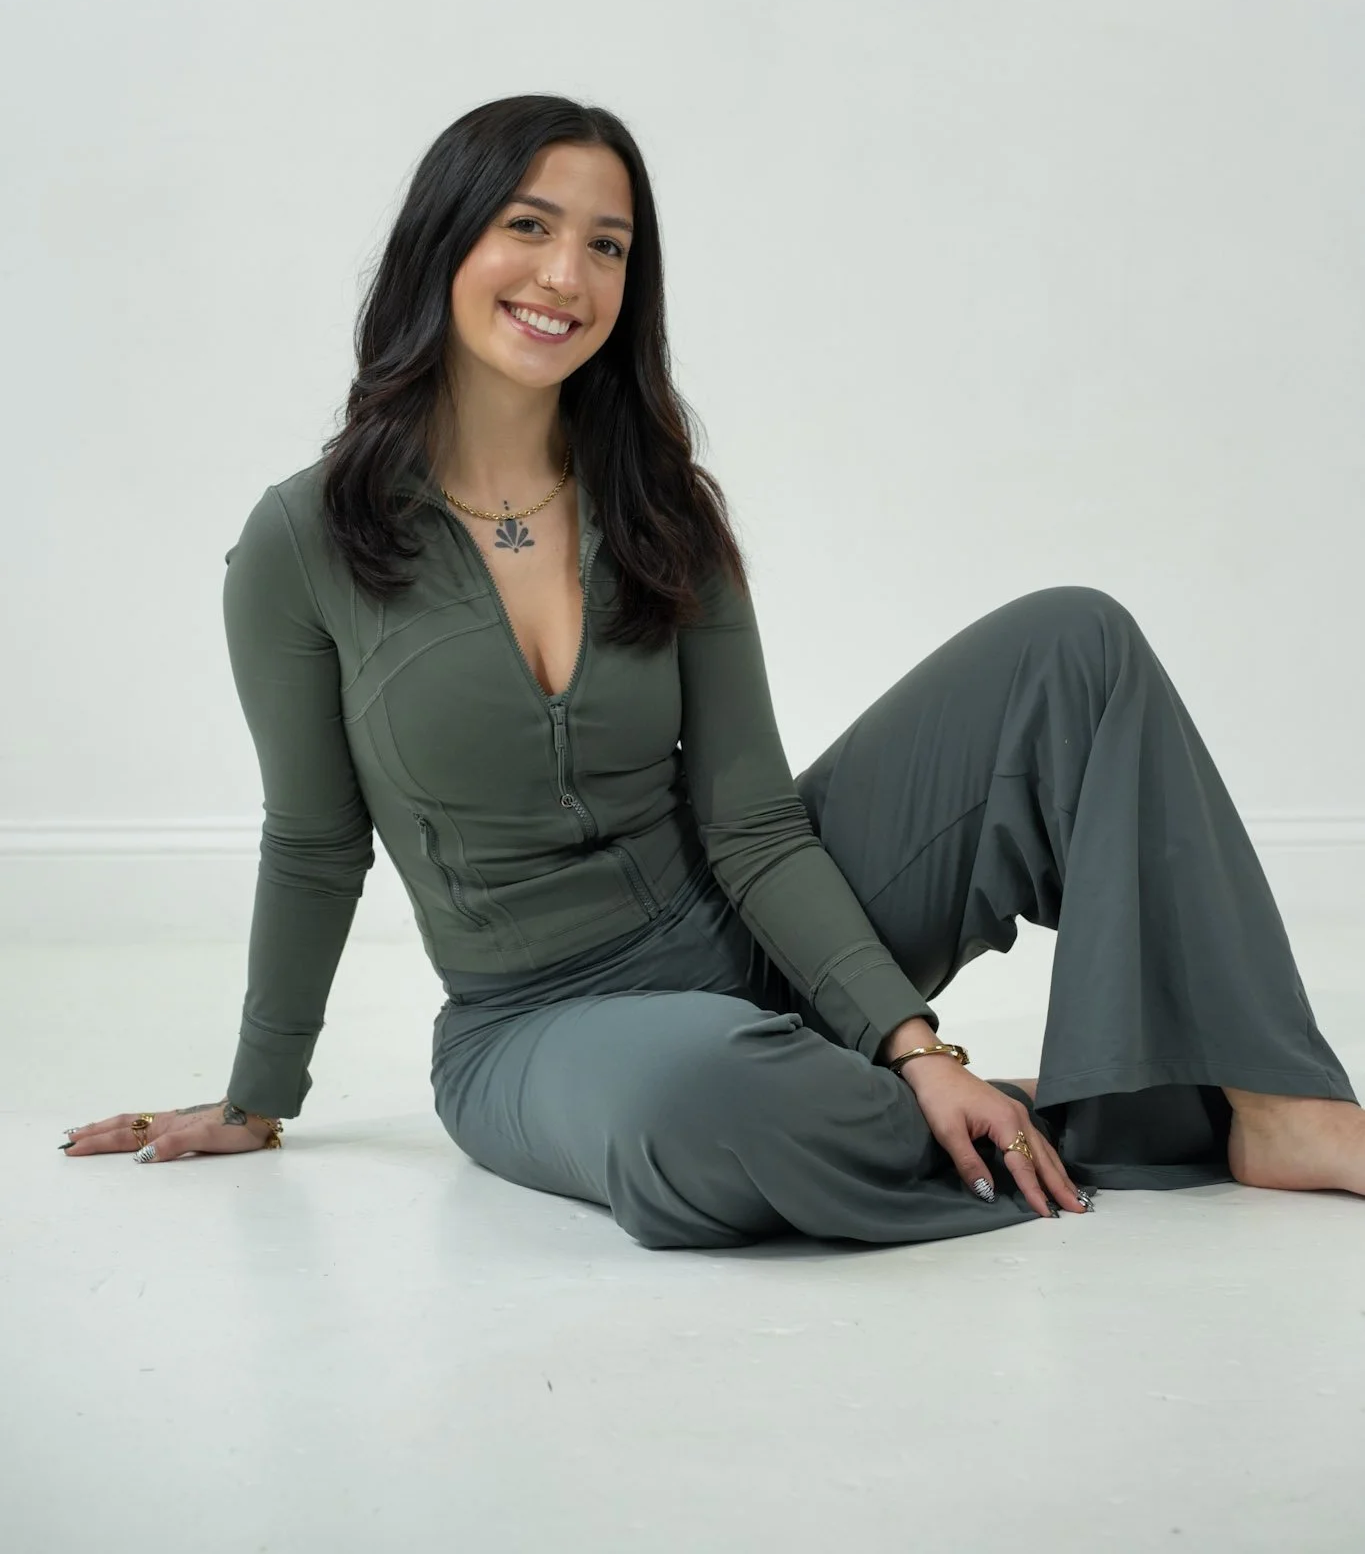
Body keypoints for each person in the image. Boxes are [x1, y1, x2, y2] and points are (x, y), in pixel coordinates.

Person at [62, 95, 1363, 1248]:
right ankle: (1050, 1111)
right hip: (541, 1027)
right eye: (529, 225)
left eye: (607, 244)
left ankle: (1277, 1109)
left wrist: (912, 1041)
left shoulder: (659, 506)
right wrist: (256, 1095)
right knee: (712, 1103)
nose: (566, 273)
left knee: (1075, 644)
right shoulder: (303, 543)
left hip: (744, 938)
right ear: (443, 243)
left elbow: (749, 819)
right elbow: (311, 841)